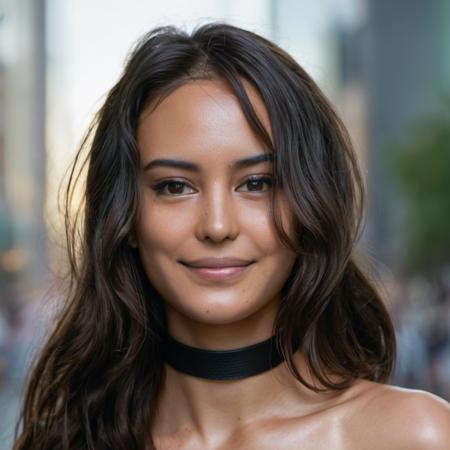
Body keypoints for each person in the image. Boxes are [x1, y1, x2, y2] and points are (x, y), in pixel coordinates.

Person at [13, 22, 450, 450]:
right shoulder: (66, 440)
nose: (218, 226)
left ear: (309, 203)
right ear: (125, 217)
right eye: (174, 186)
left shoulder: (414, 436)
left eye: (257, 183)